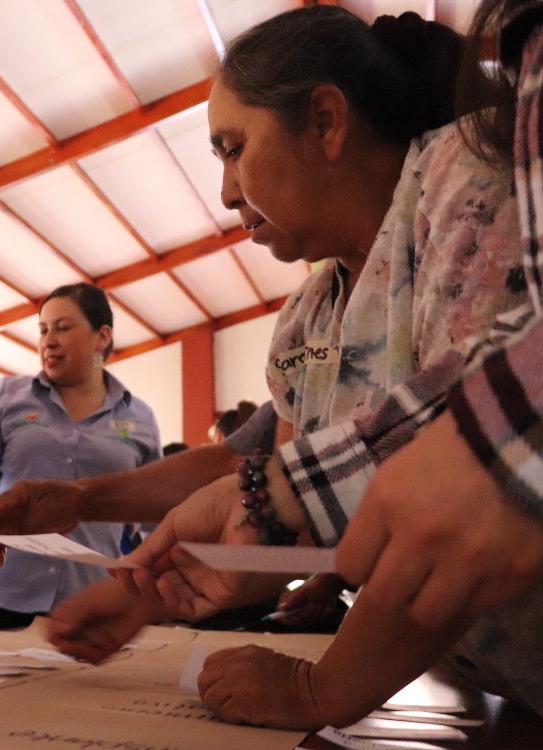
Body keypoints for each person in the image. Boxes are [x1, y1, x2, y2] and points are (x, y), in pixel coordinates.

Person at [43, 3, 543, 730]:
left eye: (232, 146)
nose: (223, 192)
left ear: (325, 121)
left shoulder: (464, 180)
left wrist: (322, 689)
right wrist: (147, 586)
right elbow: (266, 484)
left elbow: (466, 458)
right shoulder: (305, 316)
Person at [0, 283, 161, 636]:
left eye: (63, 327)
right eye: (42, 330)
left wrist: (156, 593)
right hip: (3, 598)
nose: (48, 341)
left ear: (102, 337)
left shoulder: (140, 418)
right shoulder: (6, 398)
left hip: (92, 601)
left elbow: (153, 516)